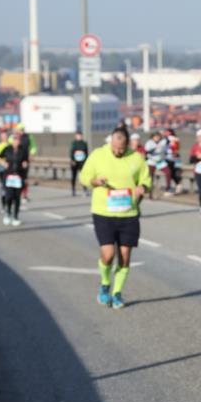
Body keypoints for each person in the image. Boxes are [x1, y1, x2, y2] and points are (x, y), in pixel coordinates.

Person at [78, 125, 151, 309]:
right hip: (103, 213)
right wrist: (95, 181)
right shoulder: (98, 155)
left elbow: (145, 179)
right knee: (108, 254)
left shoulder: (136, 158)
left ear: (127, 144)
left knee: (125, 257)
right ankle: (105, 284)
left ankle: (117, 293)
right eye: (115, 147)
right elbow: (84, 176)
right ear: (111, 140)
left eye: (121, 148)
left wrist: (143, 187)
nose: (118, 151)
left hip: (128, 213)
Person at [0, 131, 30, 226]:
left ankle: (16, 217)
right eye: (15, 139)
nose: (17, 141)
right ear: (12, 141)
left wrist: (25, 165)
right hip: (8, 176)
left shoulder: (23, 150)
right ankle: (8, 213)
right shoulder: (7, 149)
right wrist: (3, 163)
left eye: (18, 139)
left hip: (19, 176)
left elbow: (26, 162)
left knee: (17, 198)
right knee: (9, 196)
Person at [69, 132, 89, 197]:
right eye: (78, 136)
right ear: (75, 136)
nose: (79, 137)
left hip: (82, 162)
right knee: (74, 176)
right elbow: (71, 152)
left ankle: (85, 190)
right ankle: (73, 190)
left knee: (83, 176)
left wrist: (86, 161)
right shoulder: (74, 143)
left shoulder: (84, 143)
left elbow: (86, 153)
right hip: (75, 162)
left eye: (80, 136)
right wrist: (72, 160)